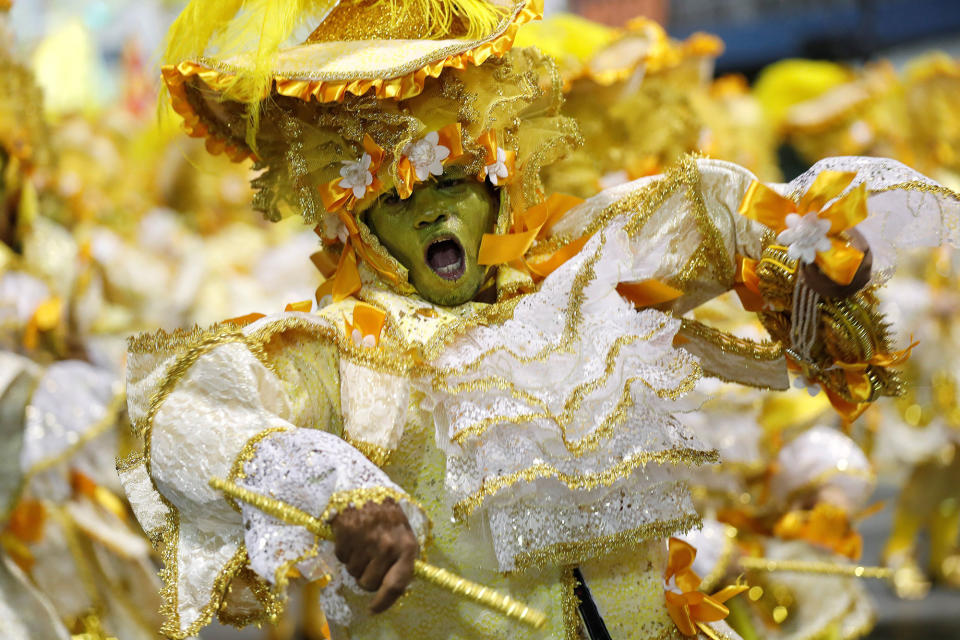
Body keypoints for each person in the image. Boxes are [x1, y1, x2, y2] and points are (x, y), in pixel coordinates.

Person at [121, 1, 960, 638]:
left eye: (461, 180)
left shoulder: (569, 283)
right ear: (353, 223)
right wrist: (334, 489)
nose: (441, 209)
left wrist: (798, 247)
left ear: (497, 182)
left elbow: (713, 216)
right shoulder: (338, 354)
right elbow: (184, 417)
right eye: (406, 192)